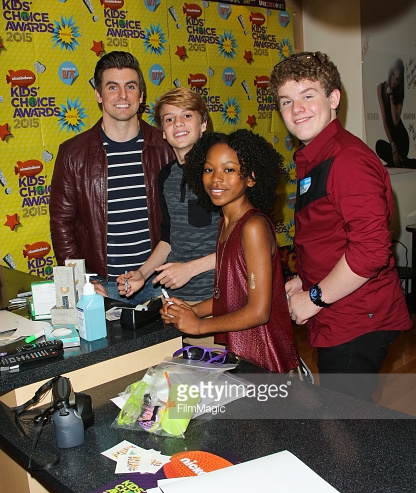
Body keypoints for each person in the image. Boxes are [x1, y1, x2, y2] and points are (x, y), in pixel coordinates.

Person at [269, 51, 412, 399]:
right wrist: (306, 279)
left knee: (346, 429)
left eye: (308, 95)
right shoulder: (316, 155)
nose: (297, 108)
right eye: (287, 101)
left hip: (357, 317)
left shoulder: (347, 160)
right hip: (340, 313)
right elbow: (331, 236)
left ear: (333, 98)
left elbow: (371, 251)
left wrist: (314, 297)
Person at [160, 130, 301, 374]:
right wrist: (191, 311)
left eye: (228, 170)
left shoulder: (253, 226)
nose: (216, 179)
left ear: (251, 177)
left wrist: (198, 326)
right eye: (208, 169)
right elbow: (231, 299)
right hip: (241, 356)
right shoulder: (226, 223)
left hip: (264, 360)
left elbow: (258, 311)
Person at [49, 51, 174, 305]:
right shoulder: (73, 153)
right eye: (112, 87)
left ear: (141, 95)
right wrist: (81, 281)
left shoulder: (166, 147)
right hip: (100, 286)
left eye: (130, 86)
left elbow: (180, 221)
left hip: (158, 280)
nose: (123, 96)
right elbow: (61, 224)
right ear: (98, 94)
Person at [116, 87, 220, 302]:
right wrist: (142, 274)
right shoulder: (166, 176)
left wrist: (190, 269)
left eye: (187, 115)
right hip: (175, 299)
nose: (178, 123)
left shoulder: (221, 173)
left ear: (203, 125)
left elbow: (246, 246)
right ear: (163, 131)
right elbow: (169, 238)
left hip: (218, 299)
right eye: (169, 119)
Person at [376, 58, 416, 169]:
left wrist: (391, 96)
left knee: (396, 158)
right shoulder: (380, 87)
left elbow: (395, 120)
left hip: (402, 139)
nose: (394, 81)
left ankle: (401, 160)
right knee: (379, 145)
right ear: (390, 73)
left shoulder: (399, 93)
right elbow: (385, 119)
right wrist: (393, 148)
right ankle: (405, 161)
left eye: (397, 79)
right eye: (393, 75)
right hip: (393, 140)